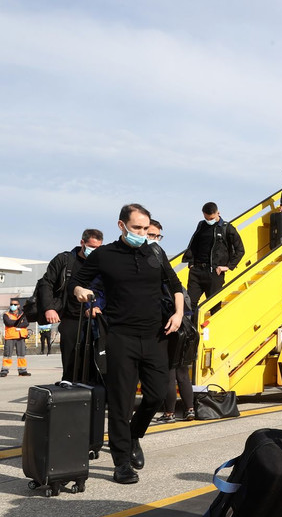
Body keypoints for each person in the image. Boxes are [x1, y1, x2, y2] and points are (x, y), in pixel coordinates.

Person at [69, 204, 183, 485]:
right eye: (137, 229)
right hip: (120, 337)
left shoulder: (155, 252)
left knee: (157, 395)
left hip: (156, 336)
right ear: (122, 226)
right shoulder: (105, 255)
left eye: (146, 229)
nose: (142, 234)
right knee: (120, 402)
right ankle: (121, 463)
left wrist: (179, 314)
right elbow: (76, 282)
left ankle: (134, 435)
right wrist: (82, 292)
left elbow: (176, 284)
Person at [38, 229, 104, 381]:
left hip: (94, 318)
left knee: (95, 359)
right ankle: (70, 387)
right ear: (82, 243)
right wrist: (49, 308)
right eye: (91, 247)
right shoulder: (64, 260)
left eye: (98, 248)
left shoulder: (100, 263)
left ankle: (94, 392)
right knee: (71, 359)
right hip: (71, 317)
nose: (95, 251)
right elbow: (46, 283)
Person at [149, 220, 195, 423]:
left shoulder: (153, 262)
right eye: (153, 235)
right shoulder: (163, 263)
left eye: (157, 236)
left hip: (166, 324)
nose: (154, 240)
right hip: (183, 325)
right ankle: (190, 410)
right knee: (182, 371)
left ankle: (169, 413)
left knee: (169, 371)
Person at [182, 202, 244, 307]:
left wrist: (228, 267)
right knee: (189, 304)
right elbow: (193, 245)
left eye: (211, 218)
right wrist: (191, 263)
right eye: (207, 218)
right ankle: (192, 324)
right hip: (196, 271)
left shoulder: (227, 228)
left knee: (214, 306)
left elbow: (240, 250)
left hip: (215, 273)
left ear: (218, 213)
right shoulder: (201, 225)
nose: (209, 221)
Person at [2, 300, 30, 377]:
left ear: (18, 305)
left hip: (20, 337)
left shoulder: (23, 314)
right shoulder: (6, 314)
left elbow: (26, 323)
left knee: (21, 354)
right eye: (11, 304)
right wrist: (19, 323)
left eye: (15, 304)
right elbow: (8, 323)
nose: (13, 305)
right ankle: (4, 370)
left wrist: (15, 323)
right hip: (10, 337)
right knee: (7, 354)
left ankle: (22, 370)